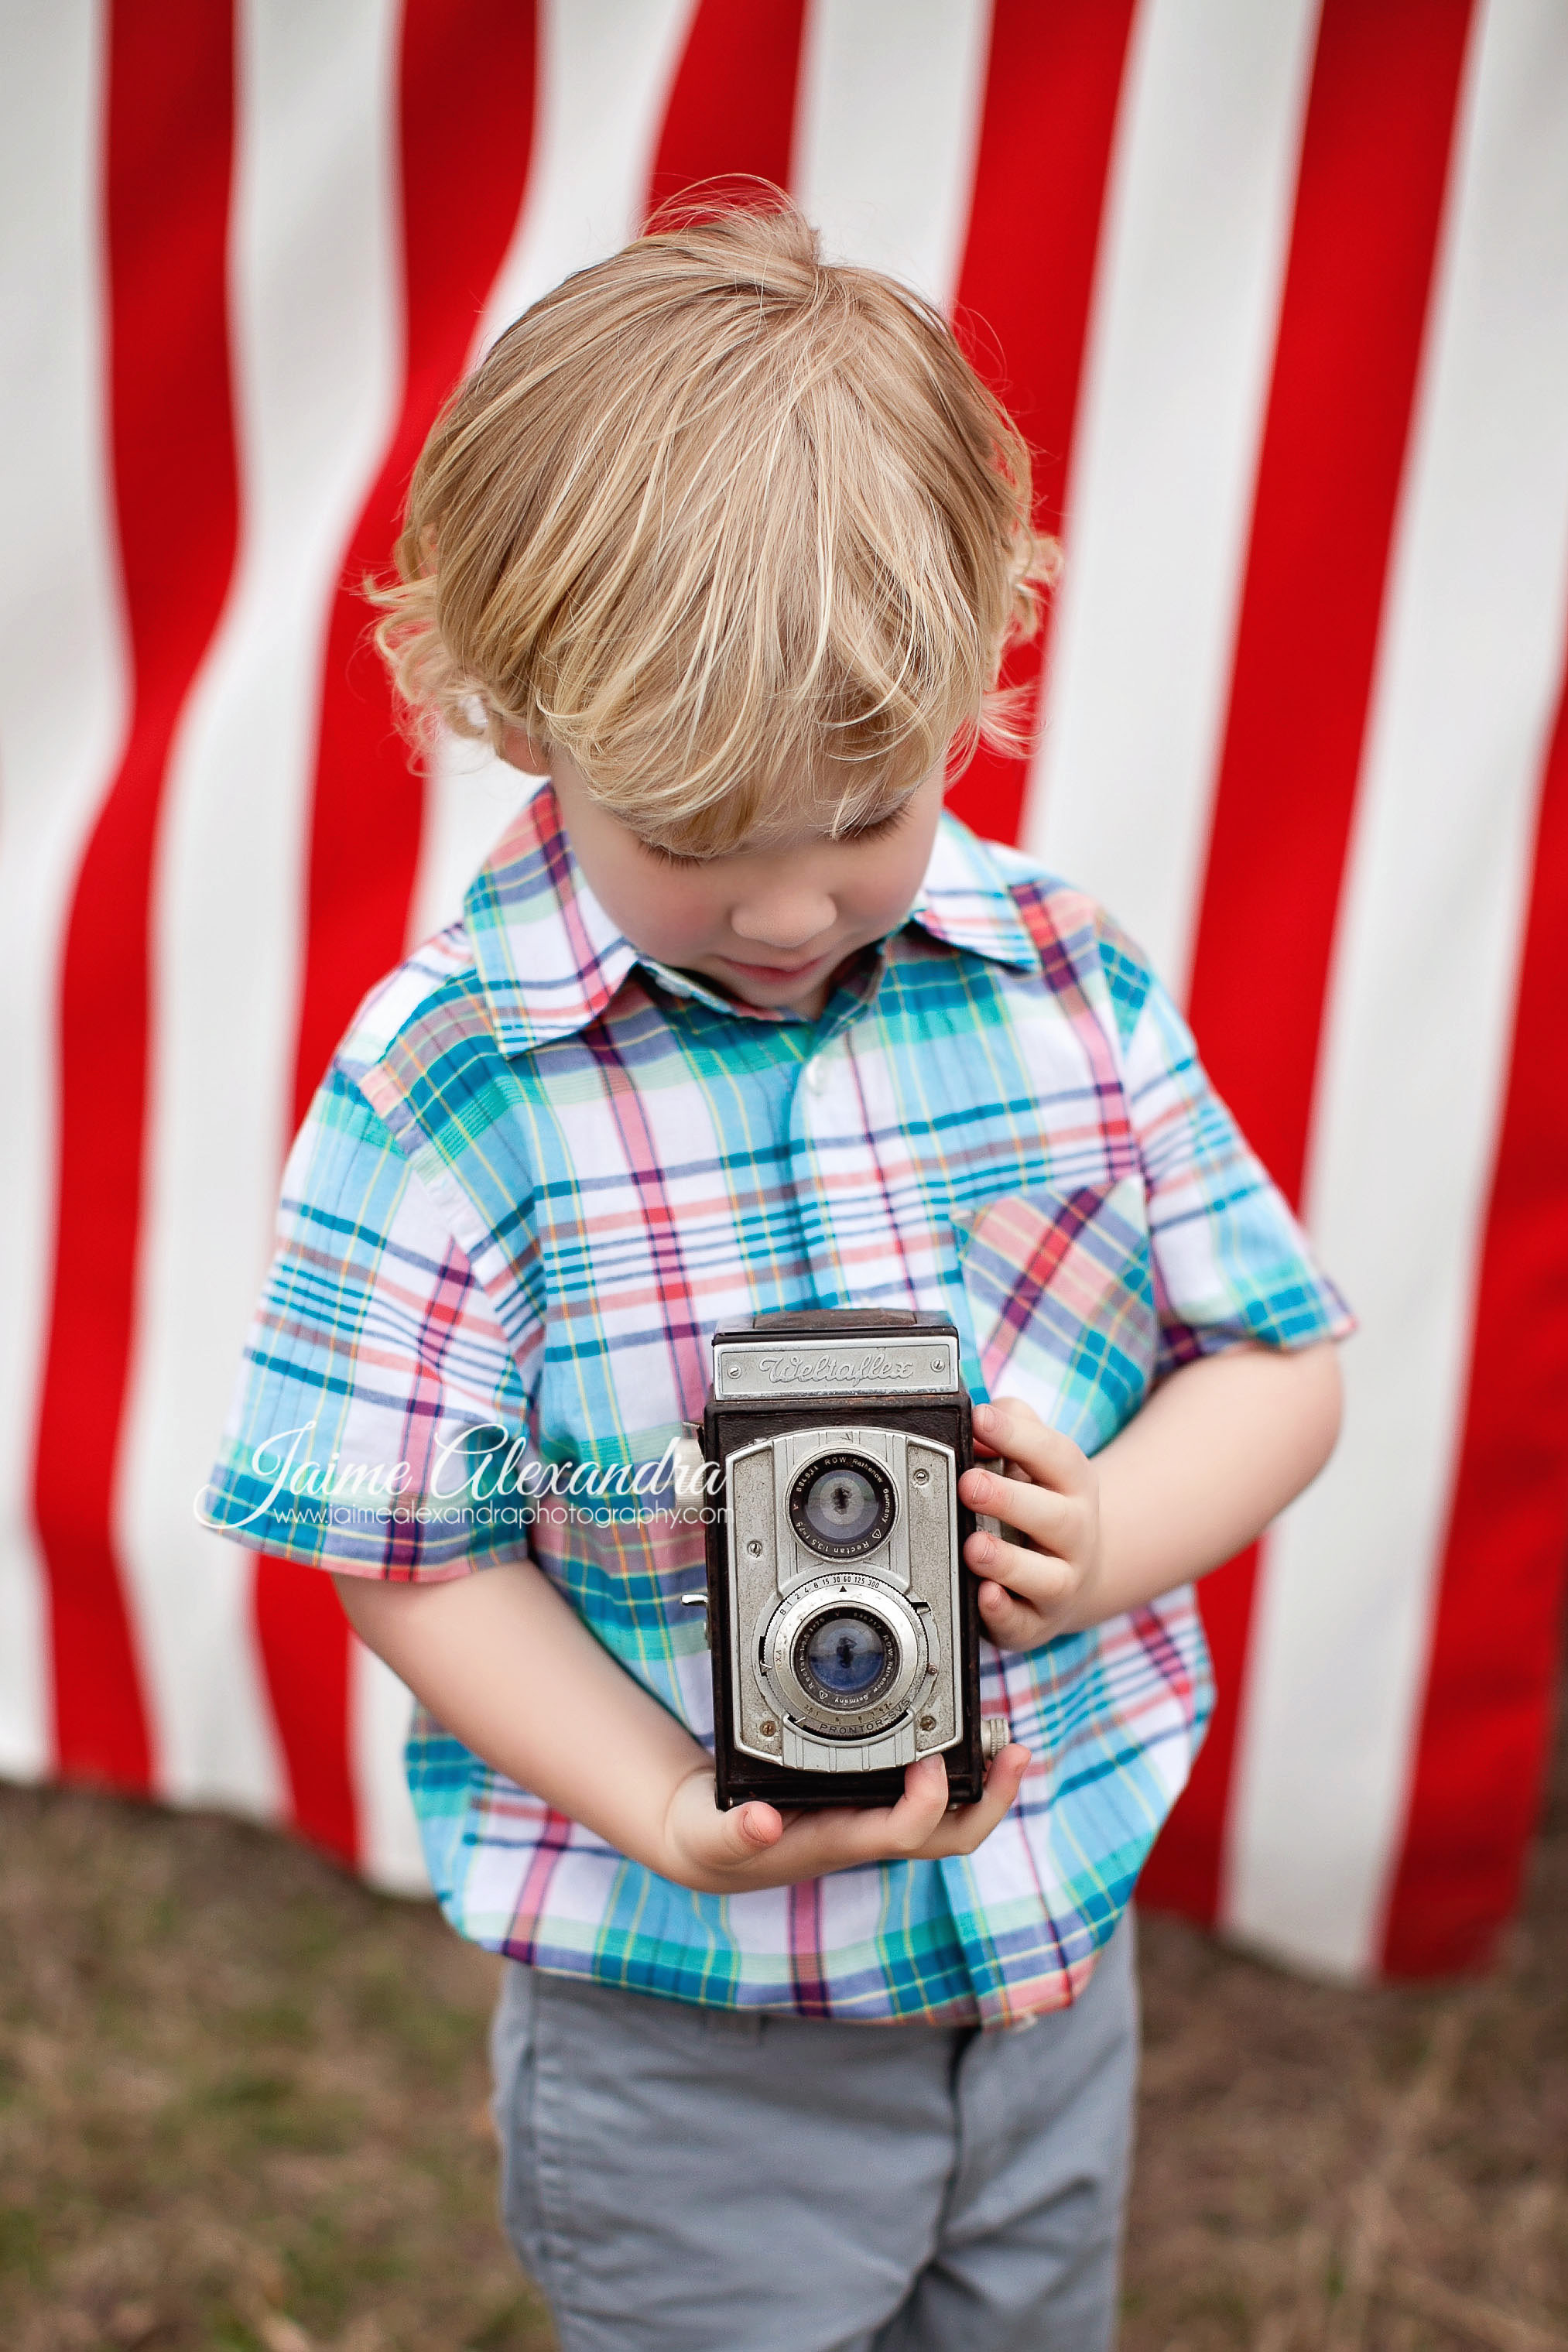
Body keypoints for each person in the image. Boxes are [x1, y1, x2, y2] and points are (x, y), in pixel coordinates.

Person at [203, 200, 1351, 2352]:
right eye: (694, 836)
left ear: (967, 683)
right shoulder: (451, 1092)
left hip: (1043, 1968)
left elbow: (1274, 1364)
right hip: (692, 2031)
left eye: (863, 808)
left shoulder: (1062, 985)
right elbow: (406, 1552)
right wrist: (654, 1801)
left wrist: (1102, 1538)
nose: (790, 902)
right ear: (516, 711)